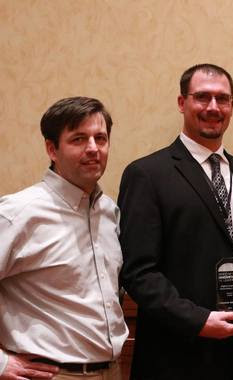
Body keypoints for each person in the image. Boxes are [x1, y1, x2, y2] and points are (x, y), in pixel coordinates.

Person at [118, 63, 233, 380]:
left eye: (222, 99)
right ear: (182, 103)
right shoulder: (147, 174)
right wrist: (198, 321)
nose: (213, 107)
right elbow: (138, 272)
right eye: (202, 97)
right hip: (174, 356)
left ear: (232, 105)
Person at [0, 97, 128, 380]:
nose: (93, 149)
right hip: (51, 374)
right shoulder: (17, 213)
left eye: (101, 138)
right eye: (79, 139)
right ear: (51, 149)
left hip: (113, 371)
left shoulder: (109, 212)